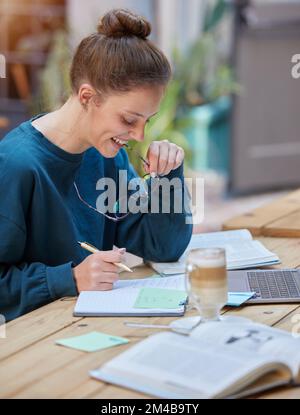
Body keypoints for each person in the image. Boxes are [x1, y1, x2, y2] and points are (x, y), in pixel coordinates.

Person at [0, 9, 193, 321]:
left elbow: (162, 247)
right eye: (129, 119)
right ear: (87, 97)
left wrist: (168, 177)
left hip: (87, 327)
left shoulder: (107, 154)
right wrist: (69, 278)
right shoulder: (16, 166)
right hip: (29, 346)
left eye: (147, 121)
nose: (139, 135)